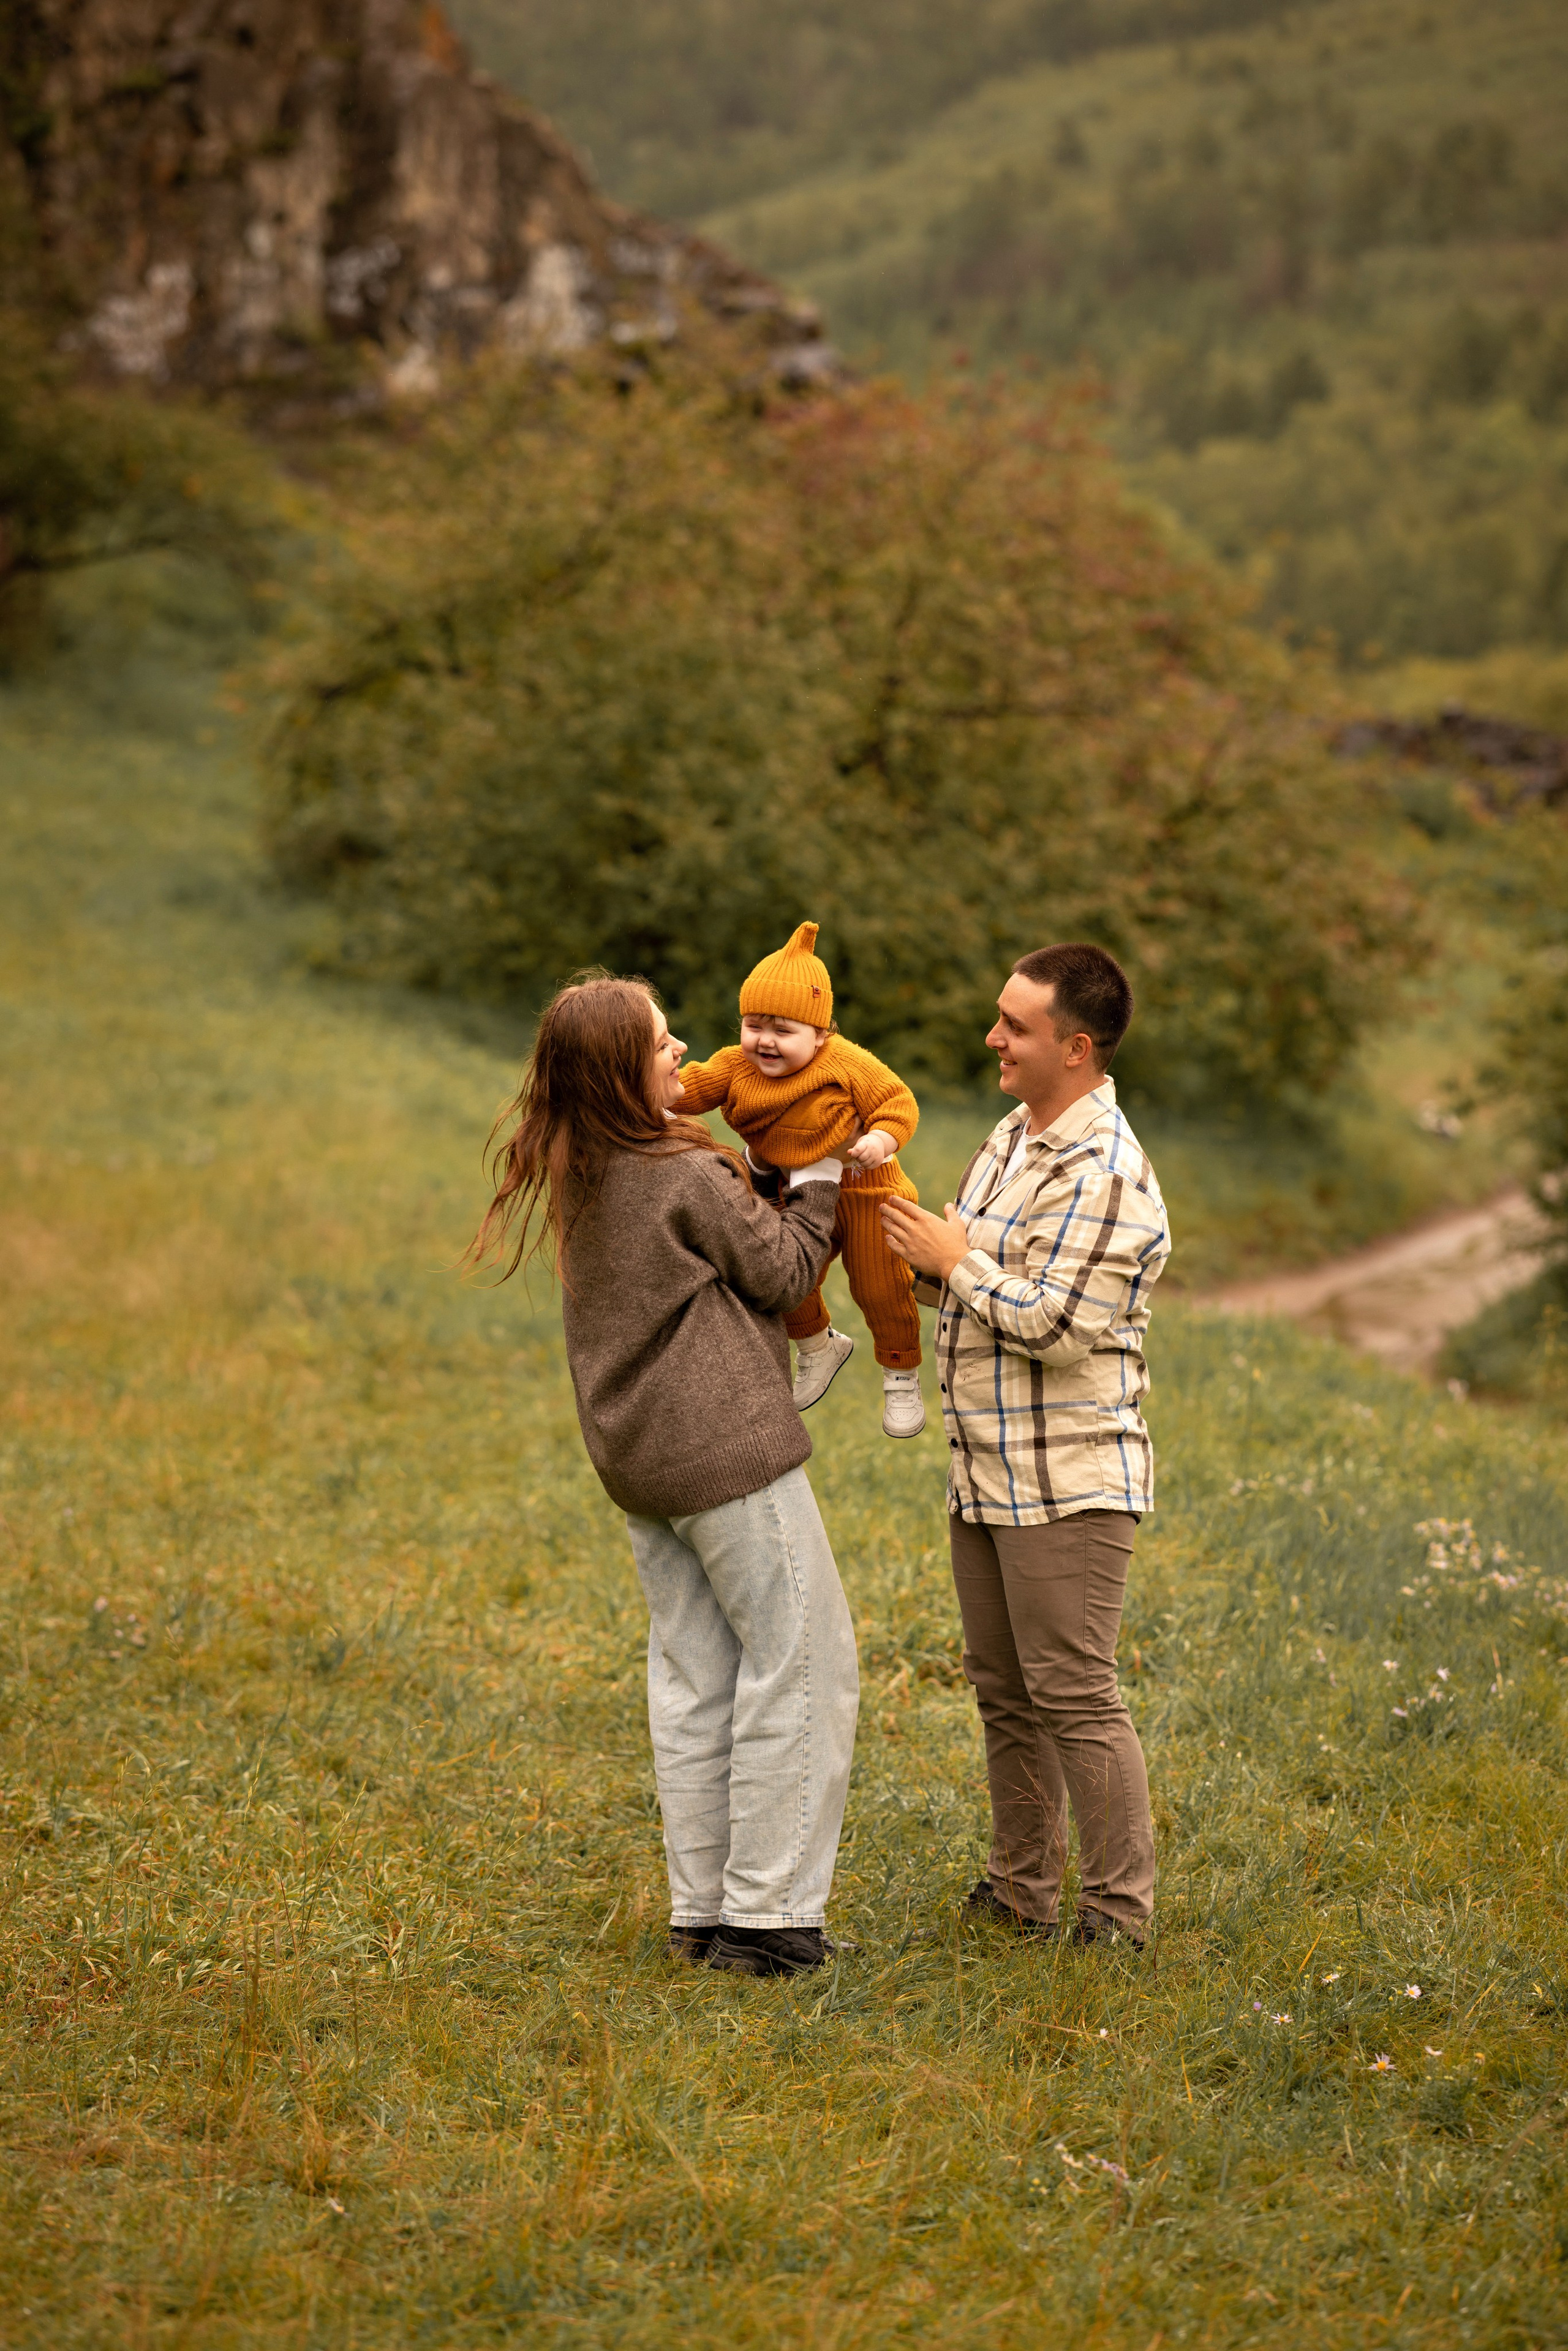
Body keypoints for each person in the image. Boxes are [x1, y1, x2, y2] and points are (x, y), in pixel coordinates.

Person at [470, 973, 861, 1978]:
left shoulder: (586, 1165)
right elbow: (779, 1273)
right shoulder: (680, 1174)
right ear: (619, 1070)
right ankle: (771, 1921)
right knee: (803, 1661)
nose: (682, 1048)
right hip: (723, 1452)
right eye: (659, 1043)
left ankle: (705, 1913)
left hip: (642, 1462)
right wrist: (820, 1178)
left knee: (698, 1678)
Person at [881, 943, 1169, 1949]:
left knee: (1075, 1694)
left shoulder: (1108, 1170)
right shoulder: (1013, 1135)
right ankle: (1019, 1889)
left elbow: (1054, 1323)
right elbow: (973, 1266)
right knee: (1006, 1690)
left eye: (1017, 1025)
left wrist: (955, 1261)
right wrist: (908, 1250)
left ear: (1076, 1047)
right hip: (986, 1465)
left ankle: (1118, 1917)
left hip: (1070, 1479)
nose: (993, 1037)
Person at [677, 922, 927, 1438]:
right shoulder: (735, 1067)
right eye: (753, 1025)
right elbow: (688, 1089)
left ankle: (901, 1373)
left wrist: (880, 1141)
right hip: (792, 1191)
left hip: (865, 1189)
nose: (764, 1042)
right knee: (784, 1276)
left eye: (783, 1031)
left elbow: (897, 1101)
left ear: (821, 1033)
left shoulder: (848, 1062)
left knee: (881, 1285)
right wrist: (645, 1095)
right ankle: (817, 1346)